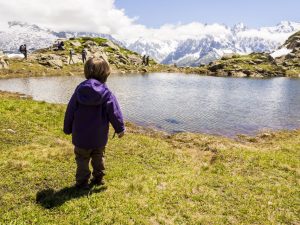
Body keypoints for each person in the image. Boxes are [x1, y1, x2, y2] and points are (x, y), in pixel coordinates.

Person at [63, 57, 125, 190]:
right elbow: (114, 112)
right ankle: (98, 178)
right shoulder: (107, 93)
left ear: (86, 72)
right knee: (98, 157)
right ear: (106, 74)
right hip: (99, 137)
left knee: (82, 160)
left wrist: (67, 128)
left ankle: (82, 182)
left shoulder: (79, 91)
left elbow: (70, 110)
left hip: (81, 137)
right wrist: (120, 129)